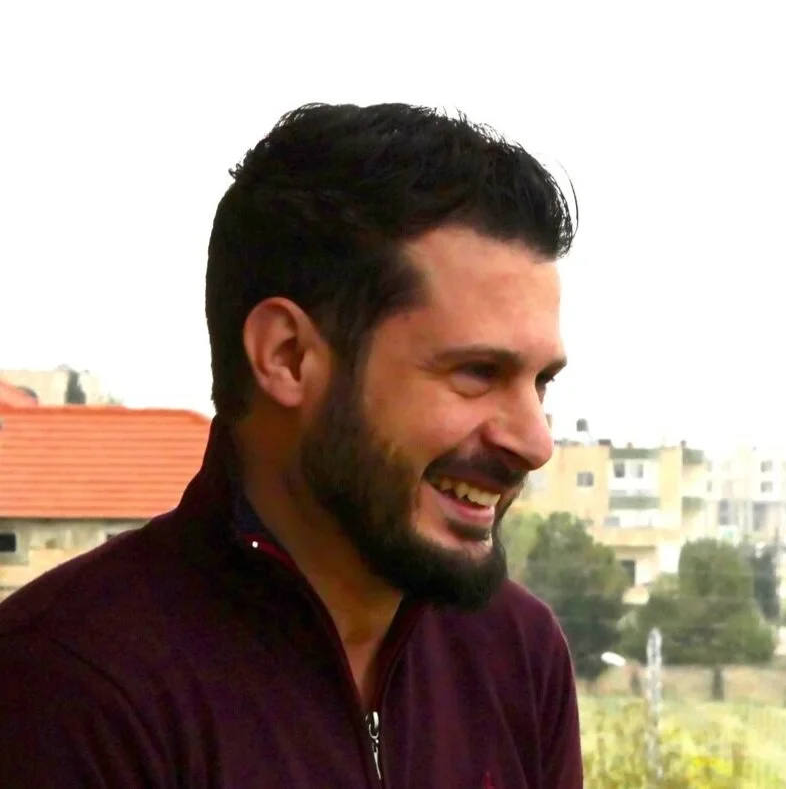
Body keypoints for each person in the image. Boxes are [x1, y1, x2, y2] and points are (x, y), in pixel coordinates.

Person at [0, 103, 582, 788]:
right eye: (476, 373)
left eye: (539, 381)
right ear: (287, 356)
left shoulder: (516, 654)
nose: (534, 441)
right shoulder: (69, 687)